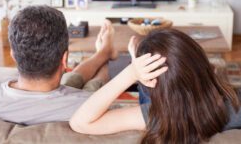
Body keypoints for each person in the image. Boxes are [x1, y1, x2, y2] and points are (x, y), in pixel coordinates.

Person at [70, 29, 241, 144]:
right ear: (201, 62)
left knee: (147, 88)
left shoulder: (156, 117)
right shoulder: (236, 103)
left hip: (166, 106)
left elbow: (80, 122)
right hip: (202, 95)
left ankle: (117, 57)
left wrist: (131, 72)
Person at [0, 5, 117, 125]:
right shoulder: (89, 107)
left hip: (50, 103)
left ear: (13, 55)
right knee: (93, 83)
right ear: (65, 59)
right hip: (69, 103)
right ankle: (105, 53)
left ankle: (104, 52)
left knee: (71, 79)